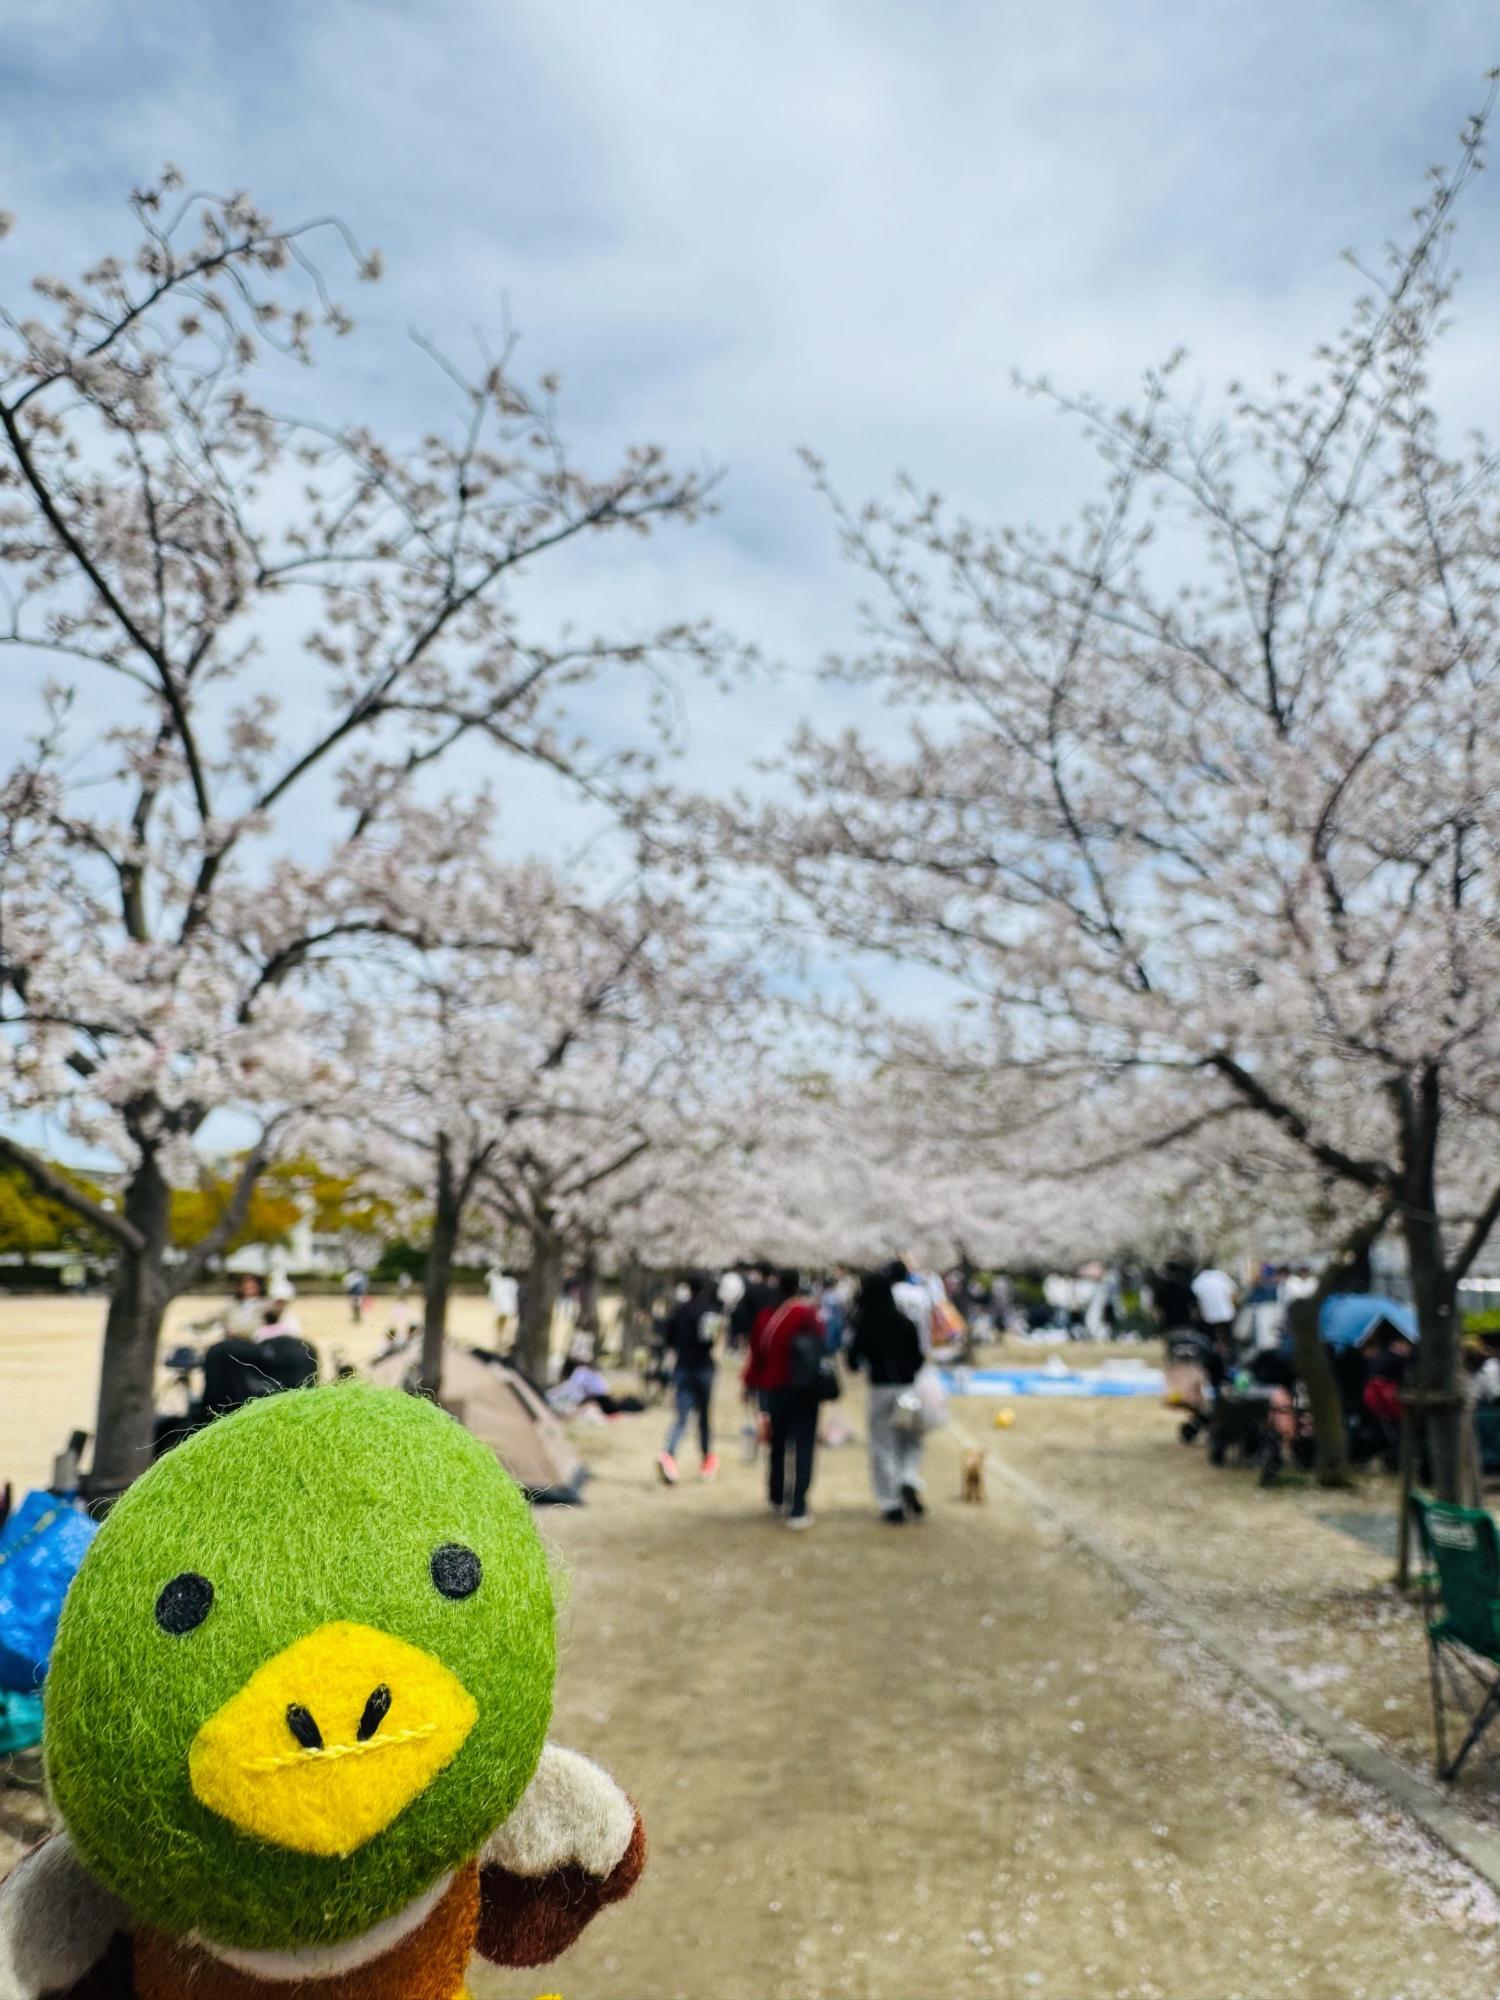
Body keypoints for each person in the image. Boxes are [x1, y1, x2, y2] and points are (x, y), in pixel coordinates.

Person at [744, 1269, 825, 1529]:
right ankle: (798, 1506)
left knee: (777, 1443)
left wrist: (750, 1384)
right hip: (805, 1390)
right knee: (804, 1447)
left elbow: (756, 1354)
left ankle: (777, 1496)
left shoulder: (766, 1317)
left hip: (775, 1389)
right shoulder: (808, 1314)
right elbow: (823, 1344)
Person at [847, 1267, 927, 1523]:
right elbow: (919, 1358)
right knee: (909, 1440)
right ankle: (908, 1478)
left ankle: (891, 1502)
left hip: (880, 1389)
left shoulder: (865, 1322)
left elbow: (852, 1360)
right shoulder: (905, 1322)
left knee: (882, 1445)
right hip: (907, 1390)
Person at [656, 1274, 720, 1485]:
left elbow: (668, 1338)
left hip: (683, 1367)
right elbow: (709, 1341)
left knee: (682, 1417)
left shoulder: (678, 1310)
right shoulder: (709, 1311)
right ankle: (707, 1459)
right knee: (703, 1418)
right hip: (703, 1368)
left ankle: (669, 1453)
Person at [1192, 1262, 1238, 1338]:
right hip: (1226, 1314)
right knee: (1227, 1335)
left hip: (1208, 1317)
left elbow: (1196, 1301)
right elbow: (1234, 1293)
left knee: (1210, 1337)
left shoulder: (1197, 1281)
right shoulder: (1221, 1276)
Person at [222, 1273, 265, 1337]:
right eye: (245, 1284)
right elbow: (223, 1320)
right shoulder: (232, 1304)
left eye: (252, 1286)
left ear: (258, 1287)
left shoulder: (265, 1305)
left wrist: (237, 1332)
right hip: (231, 1339)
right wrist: (227, 1329)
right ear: (240, 1287)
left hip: (253, 1340)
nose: (248, 1286)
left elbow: (260, 1327)